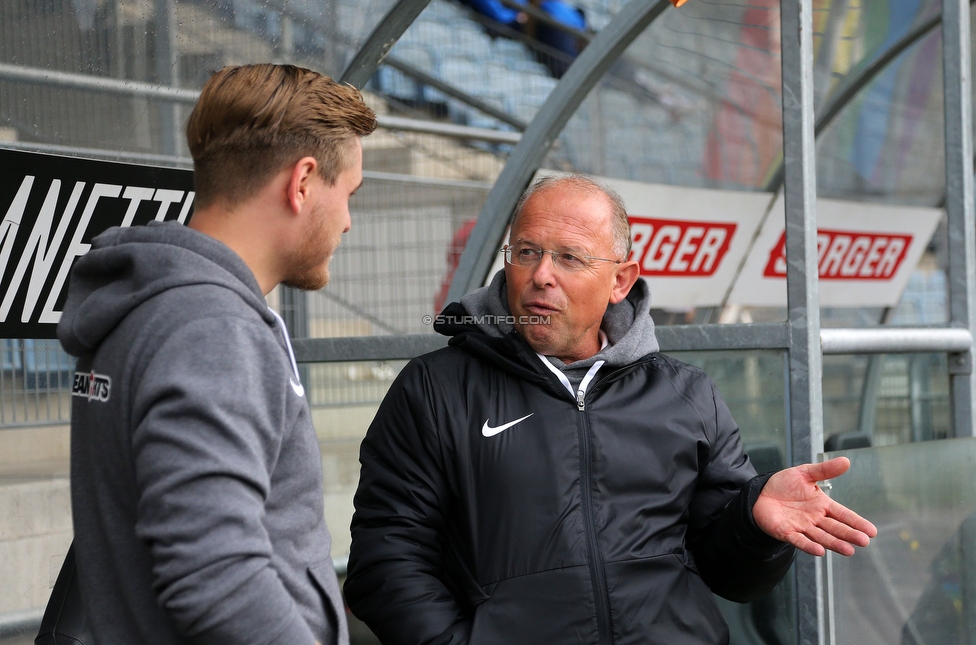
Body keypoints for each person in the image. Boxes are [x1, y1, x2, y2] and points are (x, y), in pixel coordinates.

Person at [344, 173, 877, 644]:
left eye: (569, 257)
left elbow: (733, 578)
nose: (540, 275)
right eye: (525, 252)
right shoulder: (435, 391)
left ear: (620, 280)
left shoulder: (685, 395)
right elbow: (387, 559)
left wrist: (754, 523)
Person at [57, 64, 376, 644]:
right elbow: (215, 572)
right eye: (347, 193)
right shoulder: (212, 331)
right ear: (303, 182)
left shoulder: (151, 306)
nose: (349, 221)